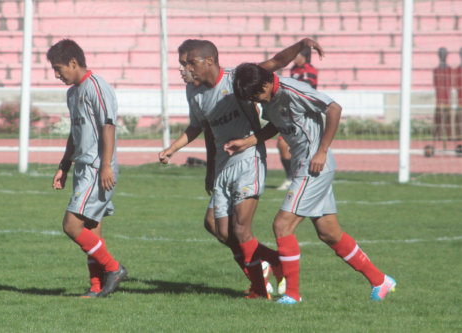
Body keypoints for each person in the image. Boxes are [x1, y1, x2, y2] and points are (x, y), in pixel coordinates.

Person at [159, 38, 324, 299]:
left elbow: (276, 63)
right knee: (216, 227)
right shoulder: (193, 91)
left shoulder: (237, 79)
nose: (185, 69)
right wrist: (179, 152)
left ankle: (259, 288)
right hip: (224, 163)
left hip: (248, 159)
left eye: (190, 63)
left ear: (209, 61)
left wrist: (301, 44)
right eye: (182, 64)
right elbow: (201, 128)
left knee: (239, 230)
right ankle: (271, 261)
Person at [226, 63, 396, 305]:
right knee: (329, 232)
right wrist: (249, 141)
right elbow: (277, 124)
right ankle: (380, 281)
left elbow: (334, 108)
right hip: (303, 166)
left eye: (257, 96)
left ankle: (292, 295)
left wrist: (322, 150)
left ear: (265, 84)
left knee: (282, 225)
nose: (258, 101)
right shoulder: (270, 97)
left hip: (314, 166)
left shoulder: (294, 90)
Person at [47, 39, 127, 298]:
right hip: (83, 167)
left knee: (71, 225)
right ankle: (97, 288)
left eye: (59, 69)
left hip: (96, 167)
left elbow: (109, 126)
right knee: (92, 230)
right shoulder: (72, 93)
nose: (57, 75)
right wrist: (64, 165)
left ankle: (114, 269)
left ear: (74, 62)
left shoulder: (97, 87)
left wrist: (105, 166)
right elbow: (75, 133)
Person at [276, 47, 320, 191]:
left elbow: (305, 92)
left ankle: (305, 178)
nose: (294, 58)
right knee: (282, 144)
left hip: (304, 115)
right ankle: (291, 177)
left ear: (304, 56)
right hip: (290, 114)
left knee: (302, 148)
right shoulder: (294, 69)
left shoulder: (310, 71)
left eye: (297, 55)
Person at [433, 47, 453, 141]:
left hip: (447, 99)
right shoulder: (436, 70)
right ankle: (437, 136)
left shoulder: (450, 70)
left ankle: (449, 136)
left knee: (448, 119)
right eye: (440, 53)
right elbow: (435, 83)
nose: (442, 55)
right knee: (438, 119)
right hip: (438, 99)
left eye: (444, 53)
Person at [454, 47, 462, 141]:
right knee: (460, 122)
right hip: (461, 101)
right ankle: (459, 139)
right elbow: (455, 84)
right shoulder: (457, 70)